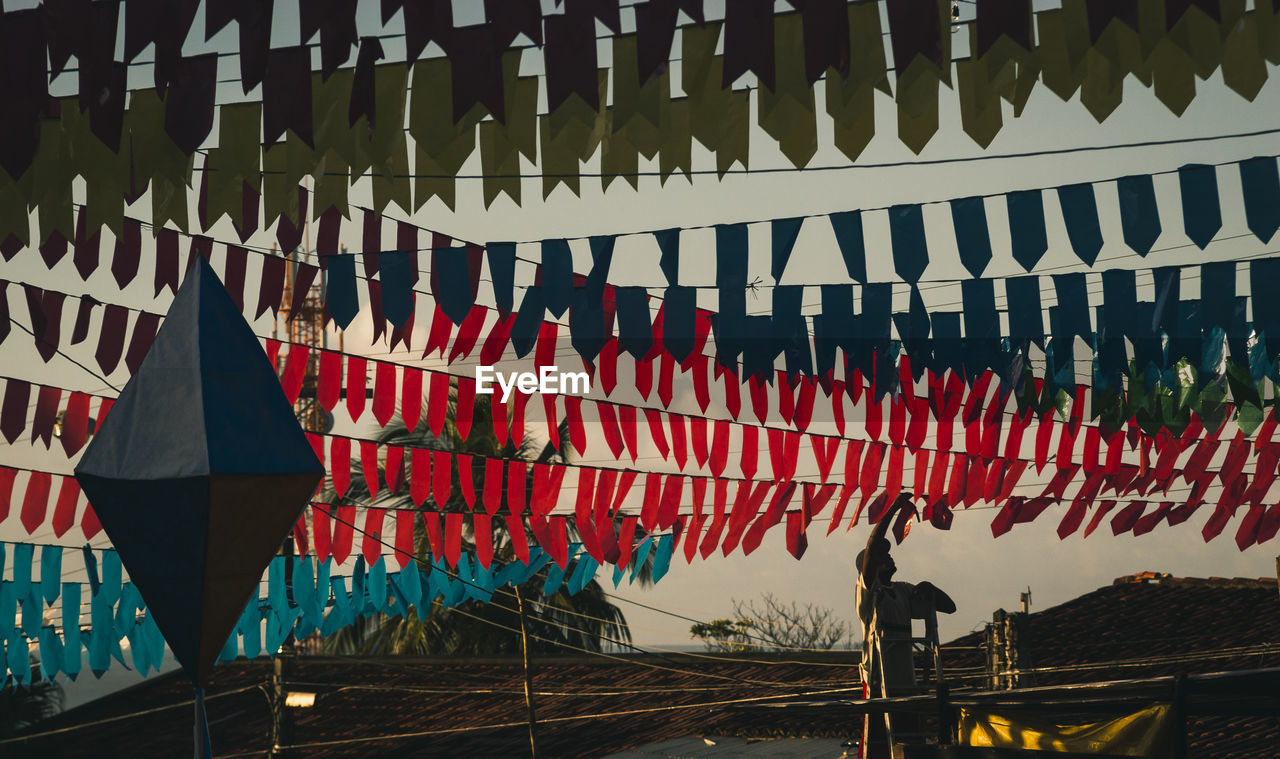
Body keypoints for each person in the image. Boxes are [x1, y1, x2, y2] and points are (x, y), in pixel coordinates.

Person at [855, 494, 955, 757]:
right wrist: (893, 508)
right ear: (874, 565)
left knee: (908, 746)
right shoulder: (867, 592)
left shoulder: (902, 590)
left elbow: (948, 606)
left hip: (905, 682)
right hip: (879, 682)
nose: (890, 557)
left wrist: (930, 588)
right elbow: (872, 546)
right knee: (880, 747)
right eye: (884, 556)